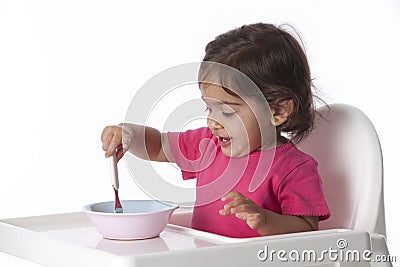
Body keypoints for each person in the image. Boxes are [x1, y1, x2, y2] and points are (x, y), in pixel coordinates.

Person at [101, 22, 330, 238]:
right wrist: (128, 134)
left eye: (228, 112)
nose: (213, 122)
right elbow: (160, 146)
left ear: (277, 111)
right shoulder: (207, 144)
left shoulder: (295, 169)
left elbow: (307, 230)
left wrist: (264, 220)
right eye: (209, 108)